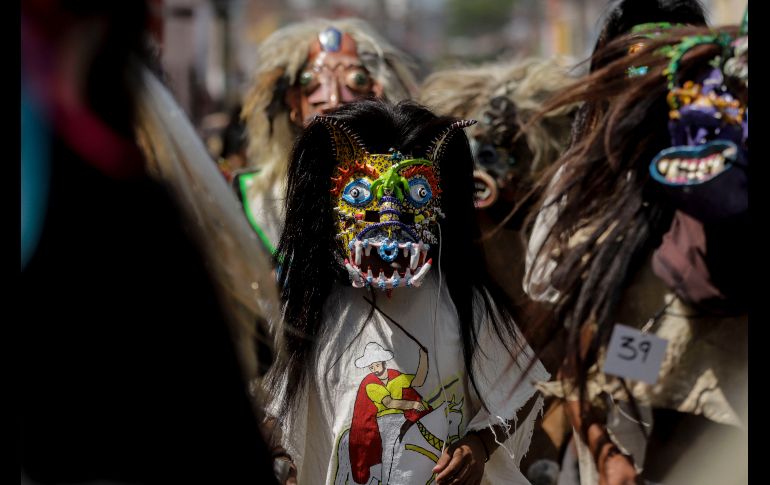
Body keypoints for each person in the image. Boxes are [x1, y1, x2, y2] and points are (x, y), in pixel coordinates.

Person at [263, 99, 550, 484]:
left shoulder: (458, 300)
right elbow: (275, 413)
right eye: (364, 200)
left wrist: (478, 446)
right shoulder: (311, 309)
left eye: (411, 200)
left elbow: (521, 383)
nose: (388, 232)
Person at [235, 18, 419, 256]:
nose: (332, 100)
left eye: (356, 81)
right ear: (294, 102)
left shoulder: (404, 193)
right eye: (311, 83)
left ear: (376, 96)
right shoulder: (257, 197)